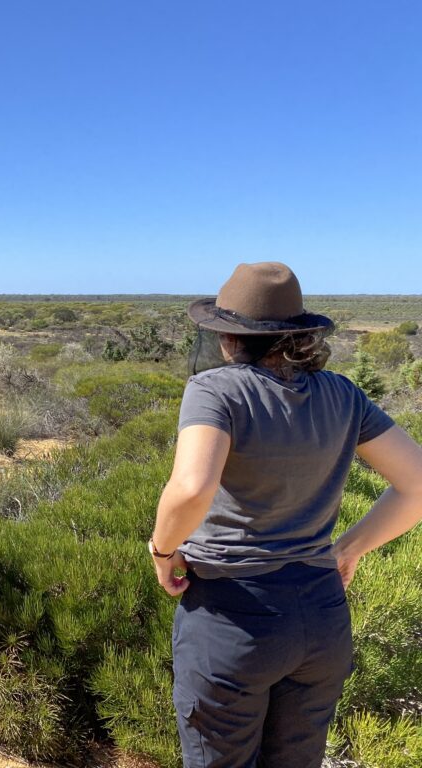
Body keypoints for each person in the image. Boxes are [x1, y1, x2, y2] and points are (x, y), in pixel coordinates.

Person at [151, 261, 422, 768]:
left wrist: (162, 551)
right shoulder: (344, 393)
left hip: (232, 613)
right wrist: (350, 548)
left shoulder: (215, 391)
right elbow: (417, 484)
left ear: (229, 338)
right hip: (322, 616)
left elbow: (190, 488)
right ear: (298, 334)